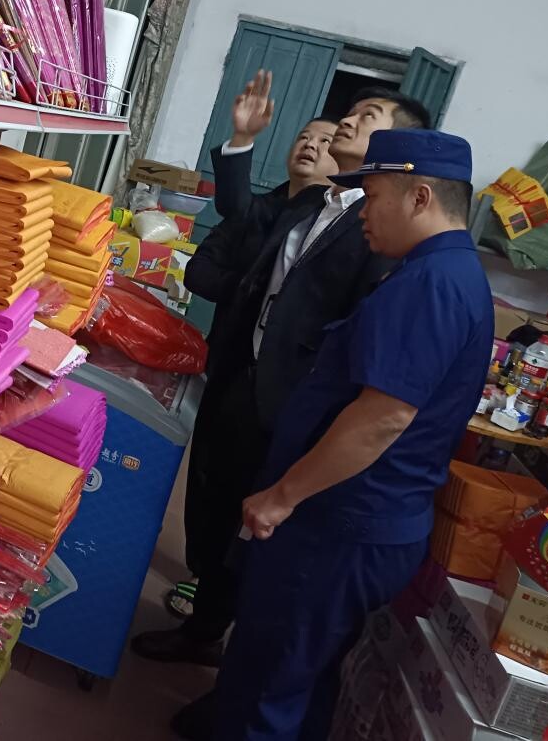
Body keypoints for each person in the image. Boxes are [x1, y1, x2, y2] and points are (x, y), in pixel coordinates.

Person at [133, 72, 431, 672]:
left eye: (367, 117)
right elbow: (241, 219)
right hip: (243, 380)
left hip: (293, 405)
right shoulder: (315, 204)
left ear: (399, 149)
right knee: (217, 504)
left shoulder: (378, 233)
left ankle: (225, 651)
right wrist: (242, 142)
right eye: (348, 113)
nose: (346, 121)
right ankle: (204, 628)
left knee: (256, 532)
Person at [209, 128, 493, 741]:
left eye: (374, 195)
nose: (363, 211)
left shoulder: (432, 284)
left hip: (340, 525)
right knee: (298, 678)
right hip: (352, 520)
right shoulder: (438, 273)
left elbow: (383, 417)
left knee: (272, 682)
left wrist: (283, 496)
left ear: (420, 197)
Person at [164, 111, 338, 626]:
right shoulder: (263, 207)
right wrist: (255, 289)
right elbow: (199, 270)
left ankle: (217, 601)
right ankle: (204, 579)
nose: (310, 145)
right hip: (227, 363)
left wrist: (250, 288)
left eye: (326, 141)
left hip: (275, 386)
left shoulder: (332, 225)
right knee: (206, 477)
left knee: (243, 490)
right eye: (304, 136)